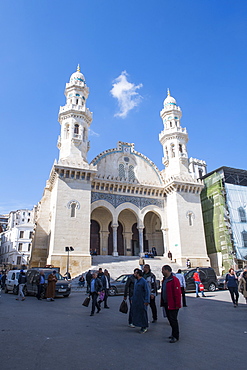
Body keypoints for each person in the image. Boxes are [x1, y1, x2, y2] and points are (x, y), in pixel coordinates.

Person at [161, 265, 181, 343]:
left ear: (167, 270)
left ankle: (176, 336)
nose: (162, 272)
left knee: (173, 320)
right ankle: (173, 334)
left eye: (163, 270)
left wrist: (177, 304)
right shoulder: (165, 280)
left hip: (173, 304)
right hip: (167, 303)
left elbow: (177, 293)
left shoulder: (174, 280)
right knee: (170, 319)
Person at [131, 269, 150, 334]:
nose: (134, 274)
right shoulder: (136, 281)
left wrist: (147, 300)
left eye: (136, 273)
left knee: (143, 314)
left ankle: (144, 326)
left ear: (138, 274)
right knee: (138, 313)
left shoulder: (143, 281)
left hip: (142, 301)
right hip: (137, 301)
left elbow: (147, 291)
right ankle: (139, 324)